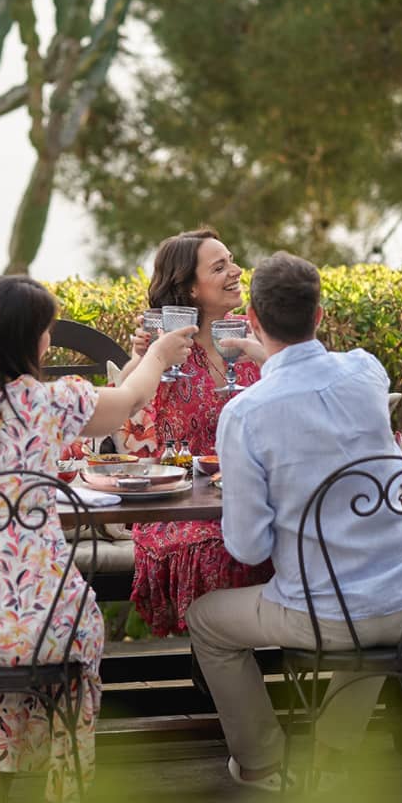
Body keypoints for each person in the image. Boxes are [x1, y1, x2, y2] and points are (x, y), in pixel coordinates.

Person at [0, 275, 194, 803]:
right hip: (50, 624)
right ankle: (14, 773)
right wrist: (160, 353)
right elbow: (130, 400)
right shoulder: (53, 403)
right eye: (46, 331)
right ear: (31, 339)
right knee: (42, 631)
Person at [186, 251, 402, 791]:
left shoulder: (246, 413)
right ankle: (330, 757)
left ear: (251, 317)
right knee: (362, 605)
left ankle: (261, 762)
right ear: (319, 315)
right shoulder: (367, 371)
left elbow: (249, 549)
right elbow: (320, 386)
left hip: (335, 617)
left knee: (207, 621)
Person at [120, 228, 271, 635]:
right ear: (188, 290)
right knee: (216, 550)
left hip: (251, 495)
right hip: (180, 504)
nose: (236, 272)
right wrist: (142, 358)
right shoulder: (165, 351)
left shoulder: (253, 335)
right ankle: (219, 667)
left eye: (232, 261)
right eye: (219, 267)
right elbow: (128, 426)